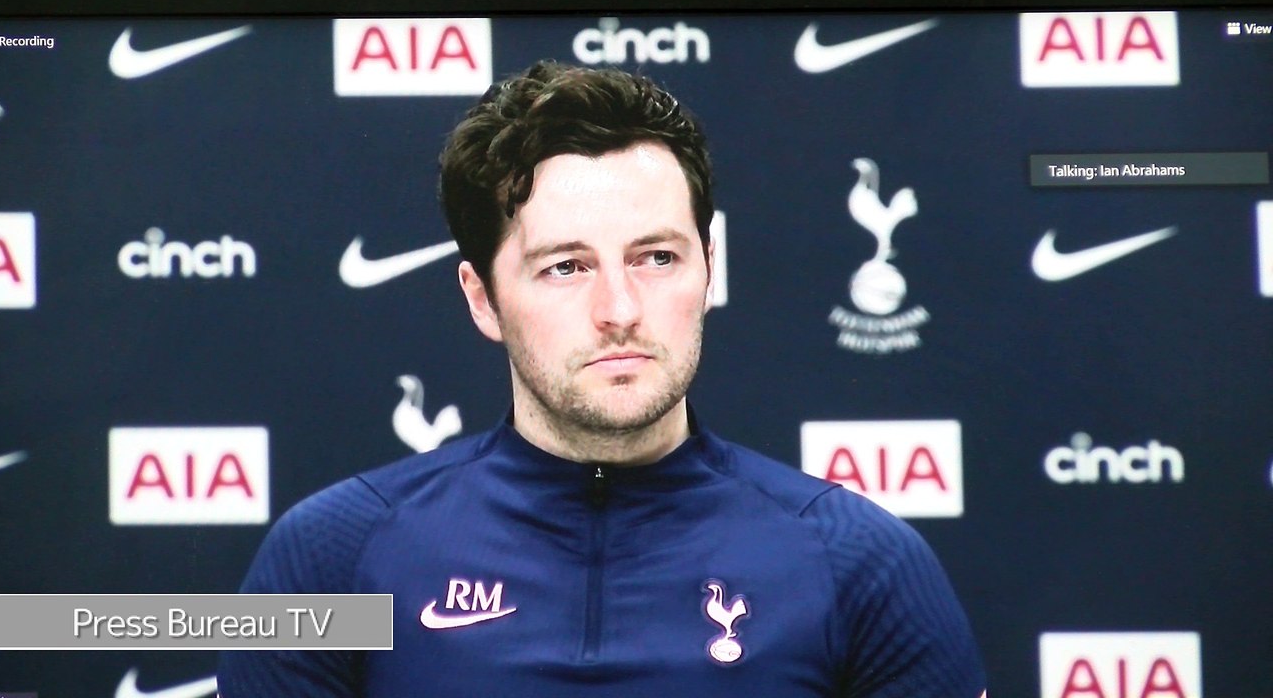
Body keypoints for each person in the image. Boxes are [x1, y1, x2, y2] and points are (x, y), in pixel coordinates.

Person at [217, 60, 987, 697]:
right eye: (565, 267)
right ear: (483, 300)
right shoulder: (334, 562)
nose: (619, 309)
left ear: (709, 269)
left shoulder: (857, 565)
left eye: (657, 257)